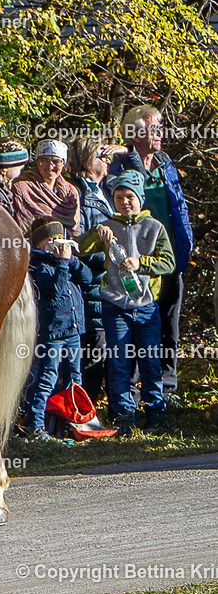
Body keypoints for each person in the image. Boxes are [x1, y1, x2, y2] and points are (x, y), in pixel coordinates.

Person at [79, 170, 176, 435]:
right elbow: (82, 248)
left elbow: (169, 263)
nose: (125, 202)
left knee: (150, 362)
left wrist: (141, 263)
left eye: (130, 197)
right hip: (115, 307)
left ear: (140, 198)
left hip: (146, 307)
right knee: (119, 362)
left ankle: (156, 415)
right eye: (119, 197)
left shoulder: (155, 228)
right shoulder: (109, 227)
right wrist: (96, 233)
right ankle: (124, 417)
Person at [109, 104, 193, 406]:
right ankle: (129, 395)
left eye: (160, 127)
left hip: (169, 259)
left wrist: (186, 247)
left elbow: (179, 208)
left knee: (169, 327)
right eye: (152, 128)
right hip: (133, 263)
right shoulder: (120, 166)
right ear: (134, 133)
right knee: (132, 328)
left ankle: (165, 391)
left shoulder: (166, 164)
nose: (159, 133)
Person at [24, 216, 96, 442]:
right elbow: (55, 292)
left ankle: (75, 422)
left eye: (59, 238)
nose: (57, 243)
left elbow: (88, 277)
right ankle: (35, 425)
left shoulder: (66, 261)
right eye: (50, 240)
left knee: (75, 377)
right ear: (38, 243)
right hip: (53, 333)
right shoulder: (37, 265)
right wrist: (62, 264)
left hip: (74, 330)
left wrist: (71, 261)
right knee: (48, 377)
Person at [68, 138, 121, 402]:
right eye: (102, 155)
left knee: (103, 348)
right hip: (92, 281)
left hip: (111, 281)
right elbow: (79, 243)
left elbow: (137, 172)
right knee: (92, 348)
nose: (109, 161)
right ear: (88, 160)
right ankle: (81, 411)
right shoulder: (78, 192)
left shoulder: (107, 189)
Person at [13, 139, 81, 236]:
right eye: (43, 161)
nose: (50, 167)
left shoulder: (70, 192)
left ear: (63, 164)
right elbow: (23, 226)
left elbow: (75, 231)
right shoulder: (22, 187)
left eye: (56, 161)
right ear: (36, 162)